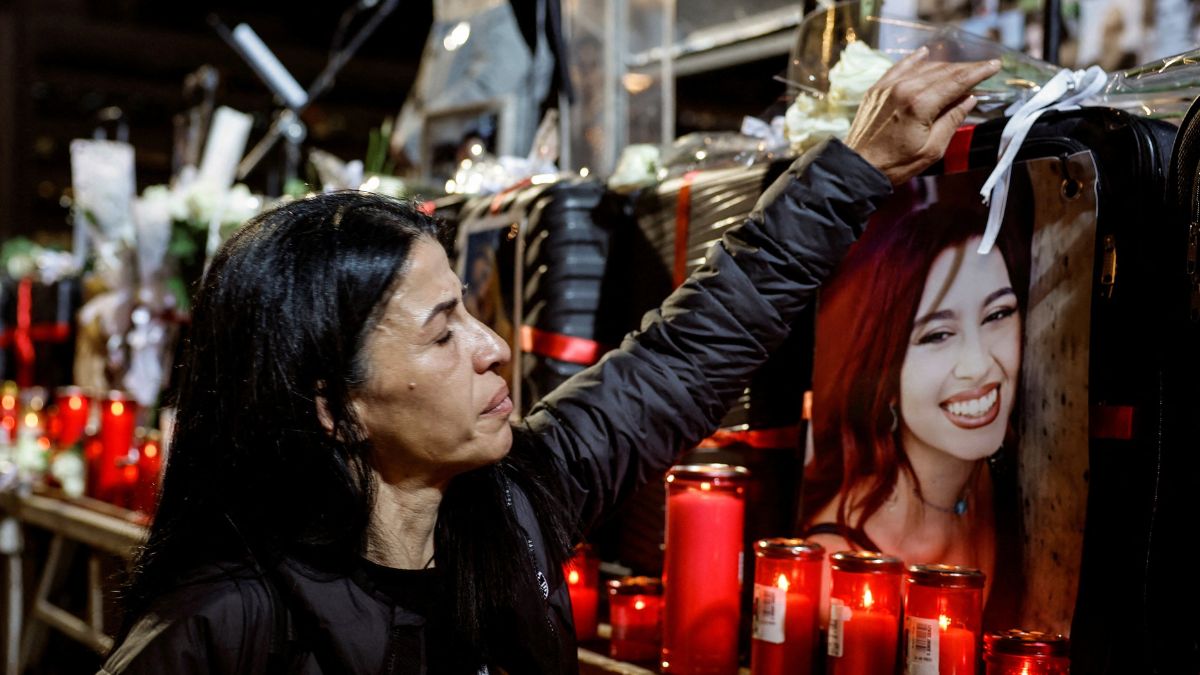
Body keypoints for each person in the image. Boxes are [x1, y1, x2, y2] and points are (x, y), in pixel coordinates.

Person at [100, 51, 1001, 674]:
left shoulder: (517, 504)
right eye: (443, 333)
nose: (494, 349)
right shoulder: (226, 622)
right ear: (336, 406)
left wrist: (850, 170)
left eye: (472, 312)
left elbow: (688, 352)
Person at [800, 180, 1031, 607]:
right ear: (885, 374)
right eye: (938, 335)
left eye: (997, 314)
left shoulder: (1005, 480)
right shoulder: (839, 568)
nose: (978, 364)